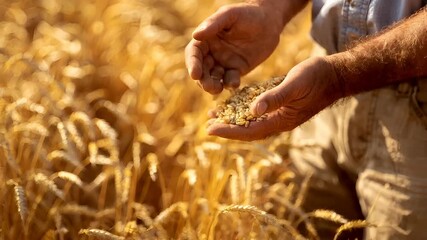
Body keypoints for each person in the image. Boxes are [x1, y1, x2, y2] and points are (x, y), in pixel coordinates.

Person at [185, 0, 427, 239]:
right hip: (323, 81)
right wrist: (270, 9)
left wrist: (340, 76)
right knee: (306, 226)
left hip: (416, 119)